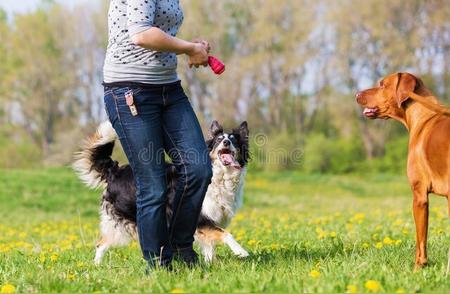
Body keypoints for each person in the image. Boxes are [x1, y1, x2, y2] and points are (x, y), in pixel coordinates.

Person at [102, 0, 213, 271]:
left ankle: (180, 247)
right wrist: (189, 48)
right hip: (130, 90)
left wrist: (190, 46)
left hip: (168, 87)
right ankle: (159, 267)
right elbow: (141, 34)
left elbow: (160, 30)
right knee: (153, 185)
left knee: (198, 169)